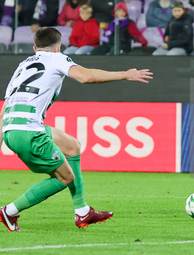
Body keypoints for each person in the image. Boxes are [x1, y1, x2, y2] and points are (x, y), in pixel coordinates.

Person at [0, 27, 153, 232]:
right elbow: (86, 77)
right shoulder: (57, 58)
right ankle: (9, 211)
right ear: (58, 47)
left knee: (72, 146)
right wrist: (125, 74)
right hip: (29, 131)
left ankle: (82, 211)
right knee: (65, 178)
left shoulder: (22, 67)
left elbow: (3, 111)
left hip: (12, 128)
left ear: (35, 48)